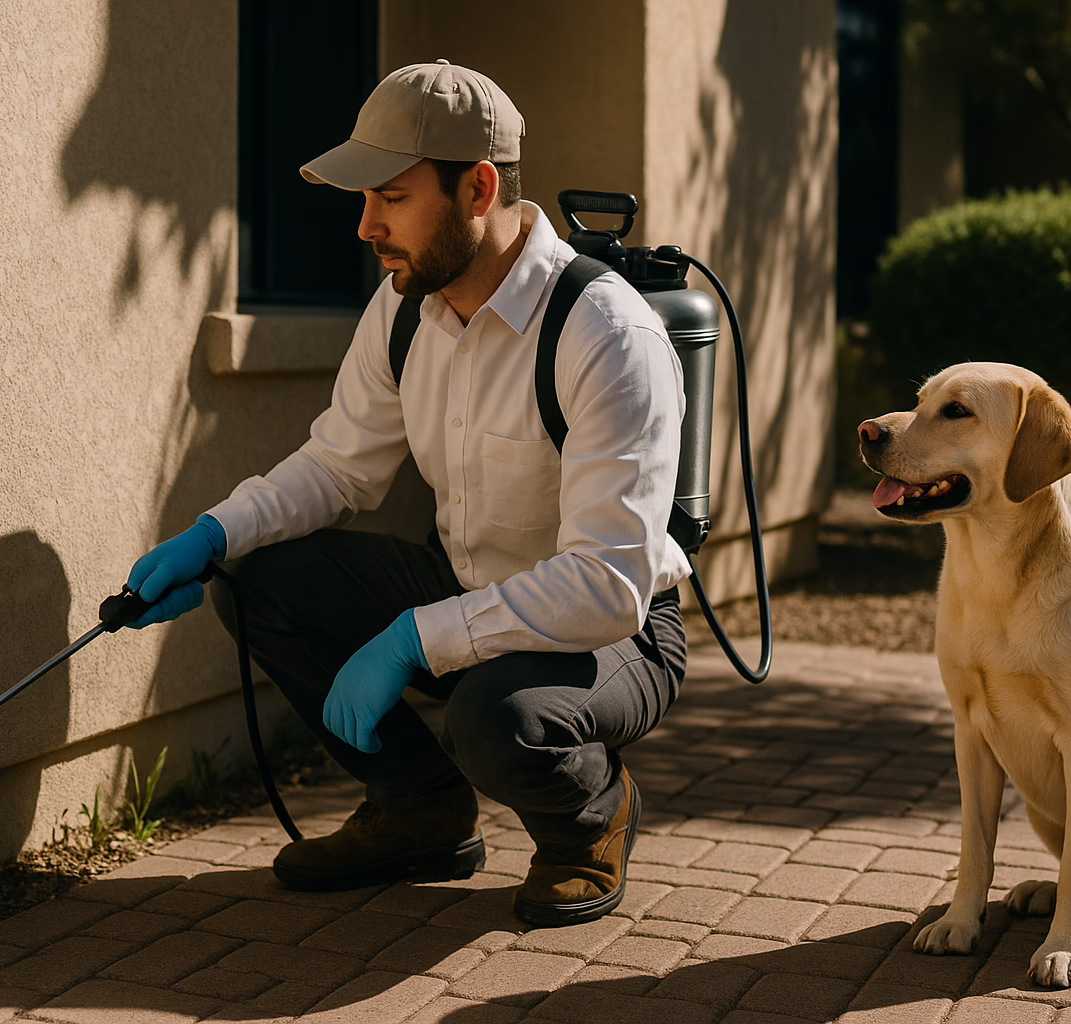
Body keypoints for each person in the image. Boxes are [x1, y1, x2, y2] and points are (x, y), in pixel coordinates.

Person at [122, 60, 691, 927]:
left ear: (478, 188)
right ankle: (419, 810)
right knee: (265, 581)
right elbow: (337, 467)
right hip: (470, 591)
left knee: (493, 719)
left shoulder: (606, 334)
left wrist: (414, 640)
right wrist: (214, 535)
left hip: (620, 629)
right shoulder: (403, 310)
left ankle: (590, 823)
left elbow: (607, 584)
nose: (366, 226)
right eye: (364, 200)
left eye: (390, 196)